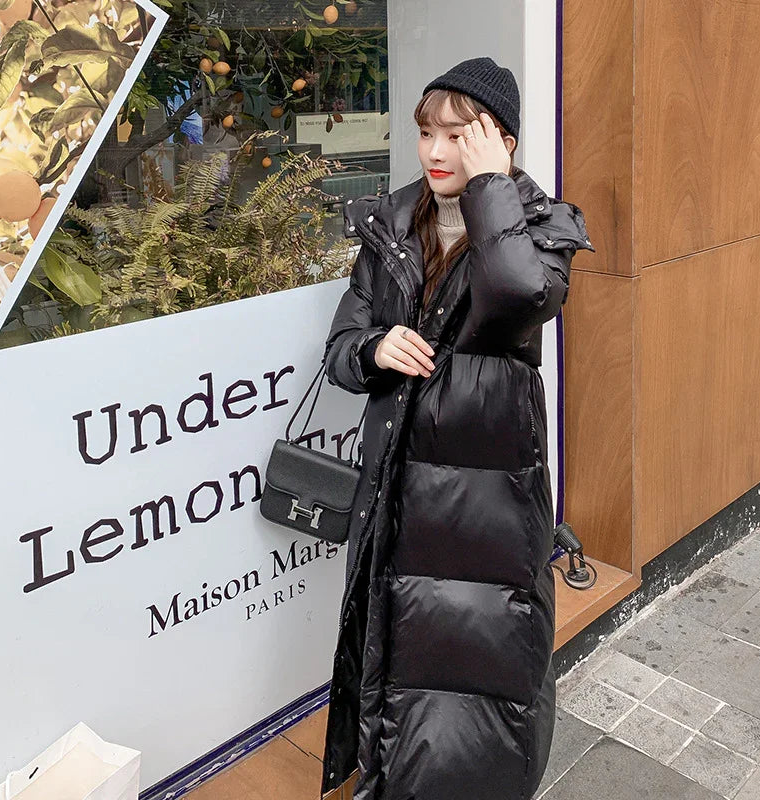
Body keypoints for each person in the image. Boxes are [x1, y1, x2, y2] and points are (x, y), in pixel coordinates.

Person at [319, 56, 595, 800]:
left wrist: (488, 187)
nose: (437, 152)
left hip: (484, 508)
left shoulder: (540, 223)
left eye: (458, 135)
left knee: (478, 668)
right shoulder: (391, 222)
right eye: (425, 134)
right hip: (395, 491)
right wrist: (375, 348)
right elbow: (341, 354)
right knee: (396, 657)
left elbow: (516, 294)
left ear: (501, 140)